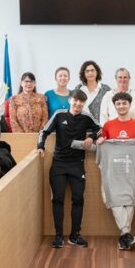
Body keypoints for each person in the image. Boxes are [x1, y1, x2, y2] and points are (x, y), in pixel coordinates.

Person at [37, 90, 99, 248]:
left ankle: (75, 235)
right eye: (76, 100)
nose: (78, 104)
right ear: (70, 100)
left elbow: (100, 129)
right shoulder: (59, 114)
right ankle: (58, 236)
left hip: (77, 164)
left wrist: (91, 137)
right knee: (57, 199)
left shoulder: (86, 116)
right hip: (58, 164)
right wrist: (40, 147)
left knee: (78, 199)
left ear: (84, 103)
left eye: (81, 102)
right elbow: (44, 131)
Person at [96, 92, 135, 251]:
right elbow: (103, 147)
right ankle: (126, 234)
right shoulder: (108, 126)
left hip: (132, 171)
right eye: (118, 104)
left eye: (124, 103)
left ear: (130, 105)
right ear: (114, 106)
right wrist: (100, 142)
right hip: (113, 172)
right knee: (116, 200)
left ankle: (124, 235)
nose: (121, 106)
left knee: (130, 200)